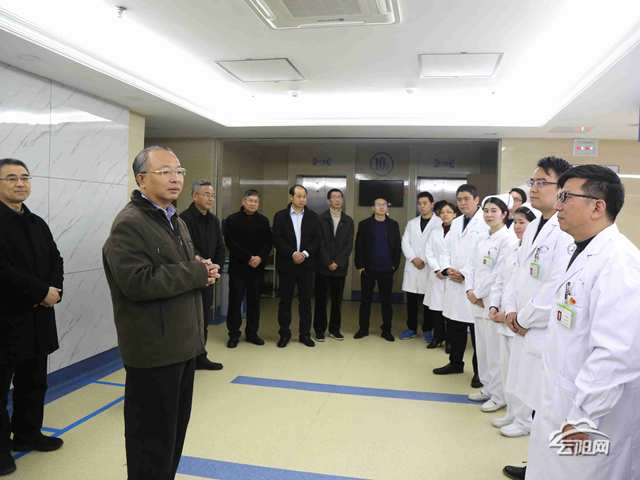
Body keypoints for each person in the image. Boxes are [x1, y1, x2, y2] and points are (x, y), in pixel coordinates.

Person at [103, 145, 220, 480]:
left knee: (172, 437)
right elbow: (137, 281)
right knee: (151, 443)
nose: (175, 178)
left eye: (179, 171)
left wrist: (201, 267)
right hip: (154, 350)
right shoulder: (130, 223)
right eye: (165, 171)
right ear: (141, 179)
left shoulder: (173, 219)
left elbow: (175, 265)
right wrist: (195, 273)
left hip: (182, 344)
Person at [526, 164, 640, 480]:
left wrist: (582, 417)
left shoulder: (619, 263)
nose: (557, 206)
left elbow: (616, 354)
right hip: (564, 397)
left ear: (597, 207)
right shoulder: (579, 250)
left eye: (565, 197)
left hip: (592, 415)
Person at [501, 156, 573, 480]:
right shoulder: (532, 227)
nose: (534, 188)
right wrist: (511, 312)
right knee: (534, 404)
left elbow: (555, 286)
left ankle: (544, 470)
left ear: (562, 189)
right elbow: (518, 274)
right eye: (533, 181)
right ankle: (537, 466)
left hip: (541, 330)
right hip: (524, 327)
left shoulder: (564, 230)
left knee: (547, 408)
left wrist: (524, 318)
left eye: (542, 182)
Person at [0, 159, 64, 476]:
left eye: (24, 177)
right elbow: (3, 270)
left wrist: (55, 291)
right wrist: (41, 292)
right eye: (11, 178)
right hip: (5, 320)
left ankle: (28, 434)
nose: (20, 183)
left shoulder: (37, 222)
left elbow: (55, 258)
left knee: (34, 381)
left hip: (38, 318)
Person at [461, 194, 518, 414]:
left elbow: (499, 273)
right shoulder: (482, 237)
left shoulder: (508, 239)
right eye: (486, 211)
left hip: (492, 302)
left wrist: (478, 293)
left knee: (495, 353)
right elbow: (470, 266)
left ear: (504, 214)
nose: (489, 214)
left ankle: (499, 395)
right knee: (482, 349)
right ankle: (488, 387)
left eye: (494, 211)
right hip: (476, 301)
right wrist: (470, 290)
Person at [488, 205, 538, 431]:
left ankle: (524, 420)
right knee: (508, 371)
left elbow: (533, 289)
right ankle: (511, 412)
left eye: (522, 222)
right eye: (515, 222)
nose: (517, 226)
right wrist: (495, 306)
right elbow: (501, 281)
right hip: (507, 318)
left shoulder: (536, 251)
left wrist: (511, 315)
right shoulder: (513, 248)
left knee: (522, 374)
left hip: (522, 323)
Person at [433, 184, 485, 388]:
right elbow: (445, 249)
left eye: (466, 199)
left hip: (473, 284)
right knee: (455, 326)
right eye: (459, 199)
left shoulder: (485, 222)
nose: (462, 203)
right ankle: (455, 363)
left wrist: (464, 273)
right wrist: (447, 269)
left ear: (476, 200)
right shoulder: (456, 223)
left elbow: (483, 254)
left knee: (477, 332)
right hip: (454, 282)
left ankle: (480, 373)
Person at [180, 180, 225, 370]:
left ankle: (201, 357)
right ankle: (186, 360)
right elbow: (187, 249)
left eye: (213, 195)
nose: (211, 198)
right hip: (191, 277)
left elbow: (220, 247)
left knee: (204, 319)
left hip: (209, 278)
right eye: (206, 194)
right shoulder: (183, 219)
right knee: (189, 321)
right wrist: (203, 268)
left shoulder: (213, 220)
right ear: (194, 196)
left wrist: (216, 269)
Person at [272, 185, 321, 348]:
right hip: (287, 264)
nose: (302, 199)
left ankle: (305, 335)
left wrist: (304, 254)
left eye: (304, 196)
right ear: (291, 197)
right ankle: (284, 334)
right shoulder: (280, 216)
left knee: (305, 301)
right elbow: (277, 239)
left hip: (307, 265)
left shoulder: (313, 216)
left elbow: (317, 239)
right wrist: (293, 253)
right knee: (285, 301)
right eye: (299, 196)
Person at [224, 189, 273, 348]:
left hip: (257, 269)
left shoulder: (263, 220)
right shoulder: (232, 219)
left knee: (254, 303)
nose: (253, 204)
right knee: (235, 302)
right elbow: (230, 243)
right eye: (250, 200)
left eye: (256, 201)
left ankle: (252, 333)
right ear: (243, 201)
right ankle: (233, 335)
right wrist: (248, 258)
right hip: (238, 268)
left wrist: (260, 258)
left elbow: (268, 243)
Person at [354, 197, 401, 341]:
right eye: (378, 204)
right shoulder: (364, 224)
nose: (381, 207)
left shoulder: (393, 225)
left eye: (384, 204)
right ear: (373, 208)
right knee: (365, 301)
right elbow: (359, 246)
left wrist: (395, 265)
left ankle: (386, 330)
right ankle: (363, 328)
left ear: (387, 207)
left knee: (386, 302)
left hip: (387, 268)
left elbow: (397, 247)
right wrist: (359, 265)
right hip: (368, 269)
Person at [400, 192, 442, 341]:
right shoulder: (412, 223)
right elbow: (405, 242)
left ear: (432, 204)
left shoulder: (439, 223)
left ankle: (427, 329)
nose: (422, 206)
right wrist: (414, 259)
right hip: (413, 266)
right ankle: (411, 328)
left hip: (428, 266)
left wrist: (423, 259)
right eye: (419, 204)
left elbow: (437, 245)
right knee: (411, 300)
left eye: (425, 203)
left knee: (428, 301)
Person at [313, 188, 354, 342]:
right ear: (328, 200)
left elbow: (348, 245)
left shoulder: (348, 220)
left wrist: (338, 262)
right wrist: (328, 262)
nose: (337, 199)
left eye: (340, 197)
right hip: (322, 267)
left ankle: (335, 329)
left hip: (340, 268)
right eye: (334, 197)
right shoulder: (320, 219)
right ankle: (319, 330)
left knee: (337, 301)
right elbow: (319, 243)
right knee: (321, 300)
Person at [424, 202, 457, 349]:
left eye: (449, 212)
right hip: (437, 275)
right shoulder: (435, 232)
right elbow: (428, 252)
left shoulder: (459, 232)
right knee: (436, 310)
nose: (445, 214)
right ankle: (437, 338)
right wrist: (438, 269)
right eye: (442, 212)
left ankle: (450, 341)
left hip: (452, 276)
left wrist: (447, 270)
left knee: (450, 310)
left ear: (455, 214)